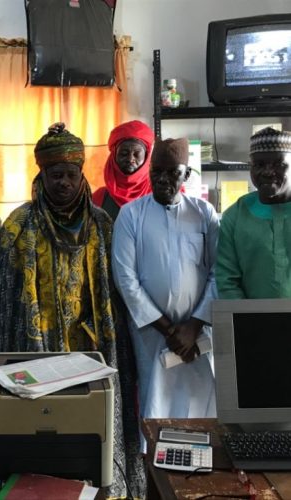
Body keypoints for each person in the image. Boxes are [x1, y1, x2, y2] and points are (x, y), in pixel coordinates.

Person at [0, 122, 145, 498]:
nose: (62, 182)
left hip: (94, 348)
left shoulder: (104, 225)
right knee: (45, 438)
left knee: (92, 434)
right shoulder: (17, 226)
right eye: (54, 174)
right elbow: (7, 303)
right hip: (37, 349)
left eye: (70, 174)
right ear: (41, 175)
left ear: (82, 176)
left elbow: (117, 290)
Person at [112, 137, 218, 451]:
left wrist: (193, 326)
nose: (163, 179)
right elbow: (125, 279)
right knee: (155, 410)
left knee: (200, 412)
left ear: (186, 175)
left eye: (173, 173)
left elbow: (218, 273)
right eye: (157, 171)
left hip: (197, 338)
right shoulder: (131, 215)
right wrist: (170, 330)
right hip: (152, 336)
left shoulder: (204, 214)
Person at [216, 126, 291, 299]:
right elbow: (227, 281)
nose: (267, 172)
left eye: (279, 164)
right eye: (259, 165)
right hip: (252, 323)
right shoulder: (235, 216)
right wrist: (248, 322)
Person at [93, 120, 155, 220]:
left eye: (137, 154)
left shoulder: (159, 194)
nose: (130, 159)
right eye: (124, 153)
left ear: (146, 157)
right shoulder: (98, 197)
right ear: (113, 156)